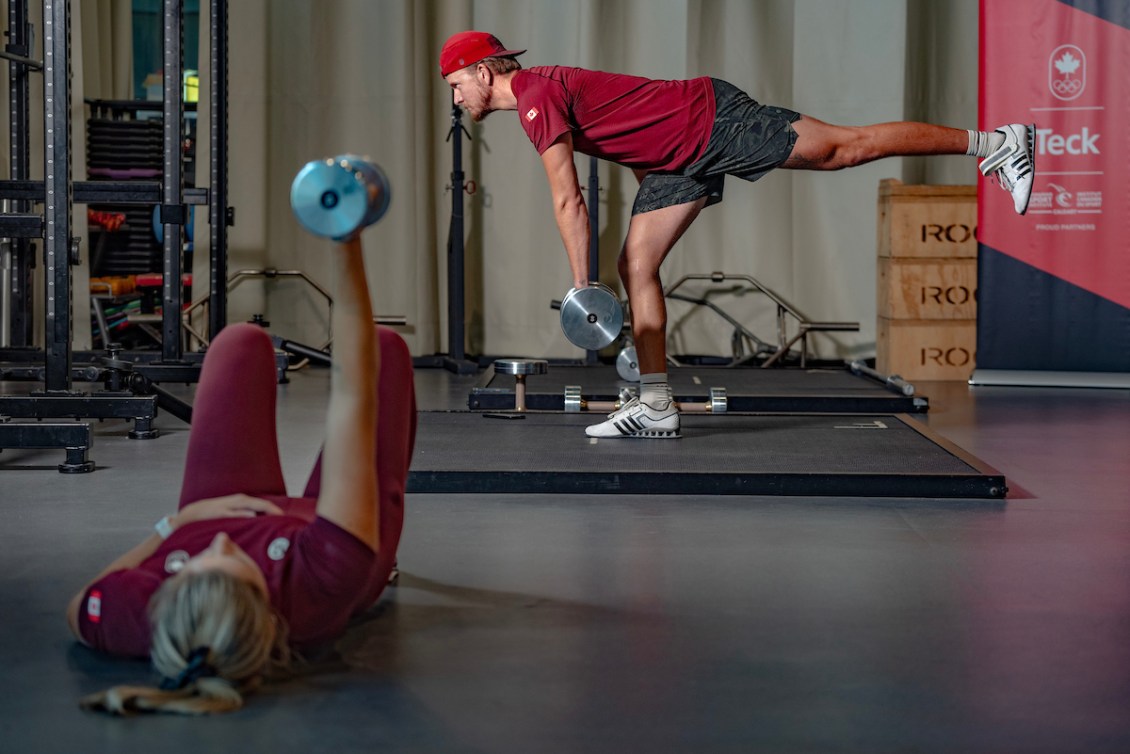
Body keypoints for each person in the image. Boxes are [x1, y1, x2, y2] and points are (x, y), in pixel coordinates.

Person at [439, 30, 1036, 439]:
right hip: (680, 157)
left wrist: (579, 288)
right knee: (638, 264)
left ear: (484, 71)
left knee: (840, 150)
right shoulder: (541, 92)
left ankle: (996, 143)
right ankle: (655, 404)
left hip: (713, 121)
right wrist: (660, 181)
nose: (455, 95)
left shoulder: (535, 96)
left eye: (456, 83)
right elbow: (630, 120)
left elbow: (568, 199)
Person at [66, 233, 416, 715]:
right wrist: (345, 242)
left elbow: (81, 605)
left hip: (219, 508)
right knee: (384, 351)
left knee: (239, 343)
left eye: (196, 563)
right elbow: (353, 389)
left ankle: (208, 553)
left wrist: (180, 526)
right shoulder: (325, 577)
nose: (224, 543)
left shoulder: (145, 618)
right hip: (335, 526)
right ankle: (381, 556)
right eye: (237, 563)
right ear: (268, 611)